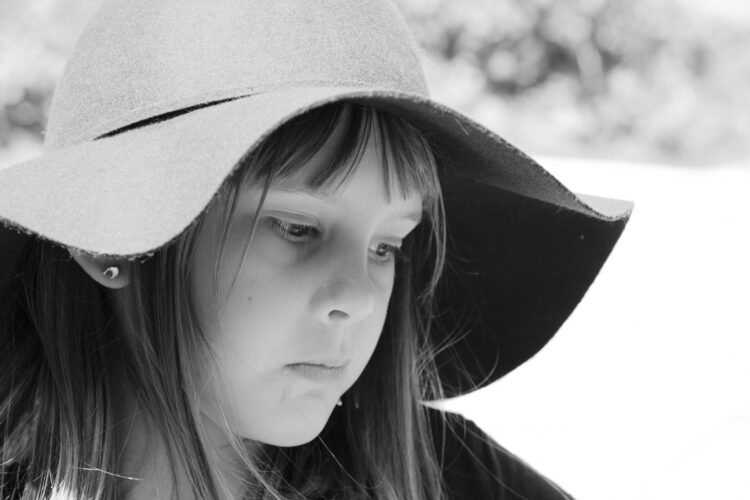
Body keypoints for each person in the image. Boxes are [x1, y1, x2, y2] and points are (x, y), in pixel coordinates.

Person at [0, 0, 632, 498]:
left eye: (388, 245)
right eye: (297, 228)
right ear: (109, 234)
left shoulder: (441, 478)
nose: (359, 298)